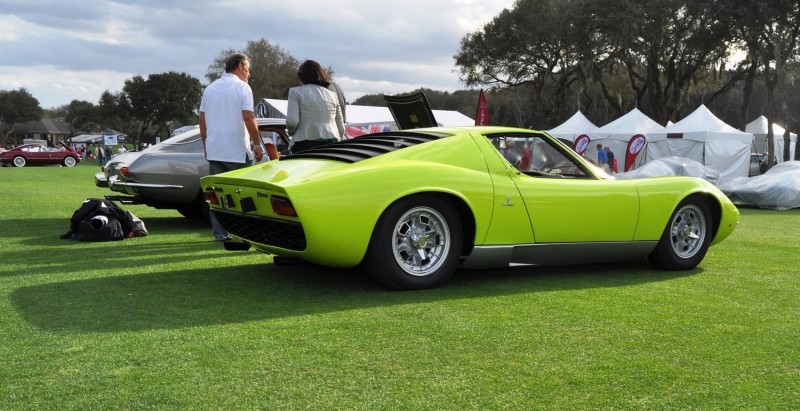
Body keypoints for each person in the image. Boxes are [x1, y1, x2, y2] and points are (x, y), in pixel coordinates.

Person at [199, 52, 276, 242]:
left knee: (216, 196)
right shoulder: (242, 87)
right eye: (248, 68)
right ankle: (248, 233)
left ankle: (220, 233)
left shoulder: (210, 88)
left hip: (215, 150)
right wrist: (257, 144)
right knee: (245, 196)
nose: (249, 73)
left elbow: (202, 119)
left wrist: (206, 145)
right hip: (237, 150)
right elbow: (249, 117)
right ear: (240, 66)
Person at [286, 60, 345, 153]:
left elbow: (292, 122)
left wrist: (291, 131)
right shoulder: (333, 95)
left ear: (301, 76)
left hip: (304, 143)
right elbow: (341, 129)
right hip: (331, 144)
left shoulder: (295, 92)